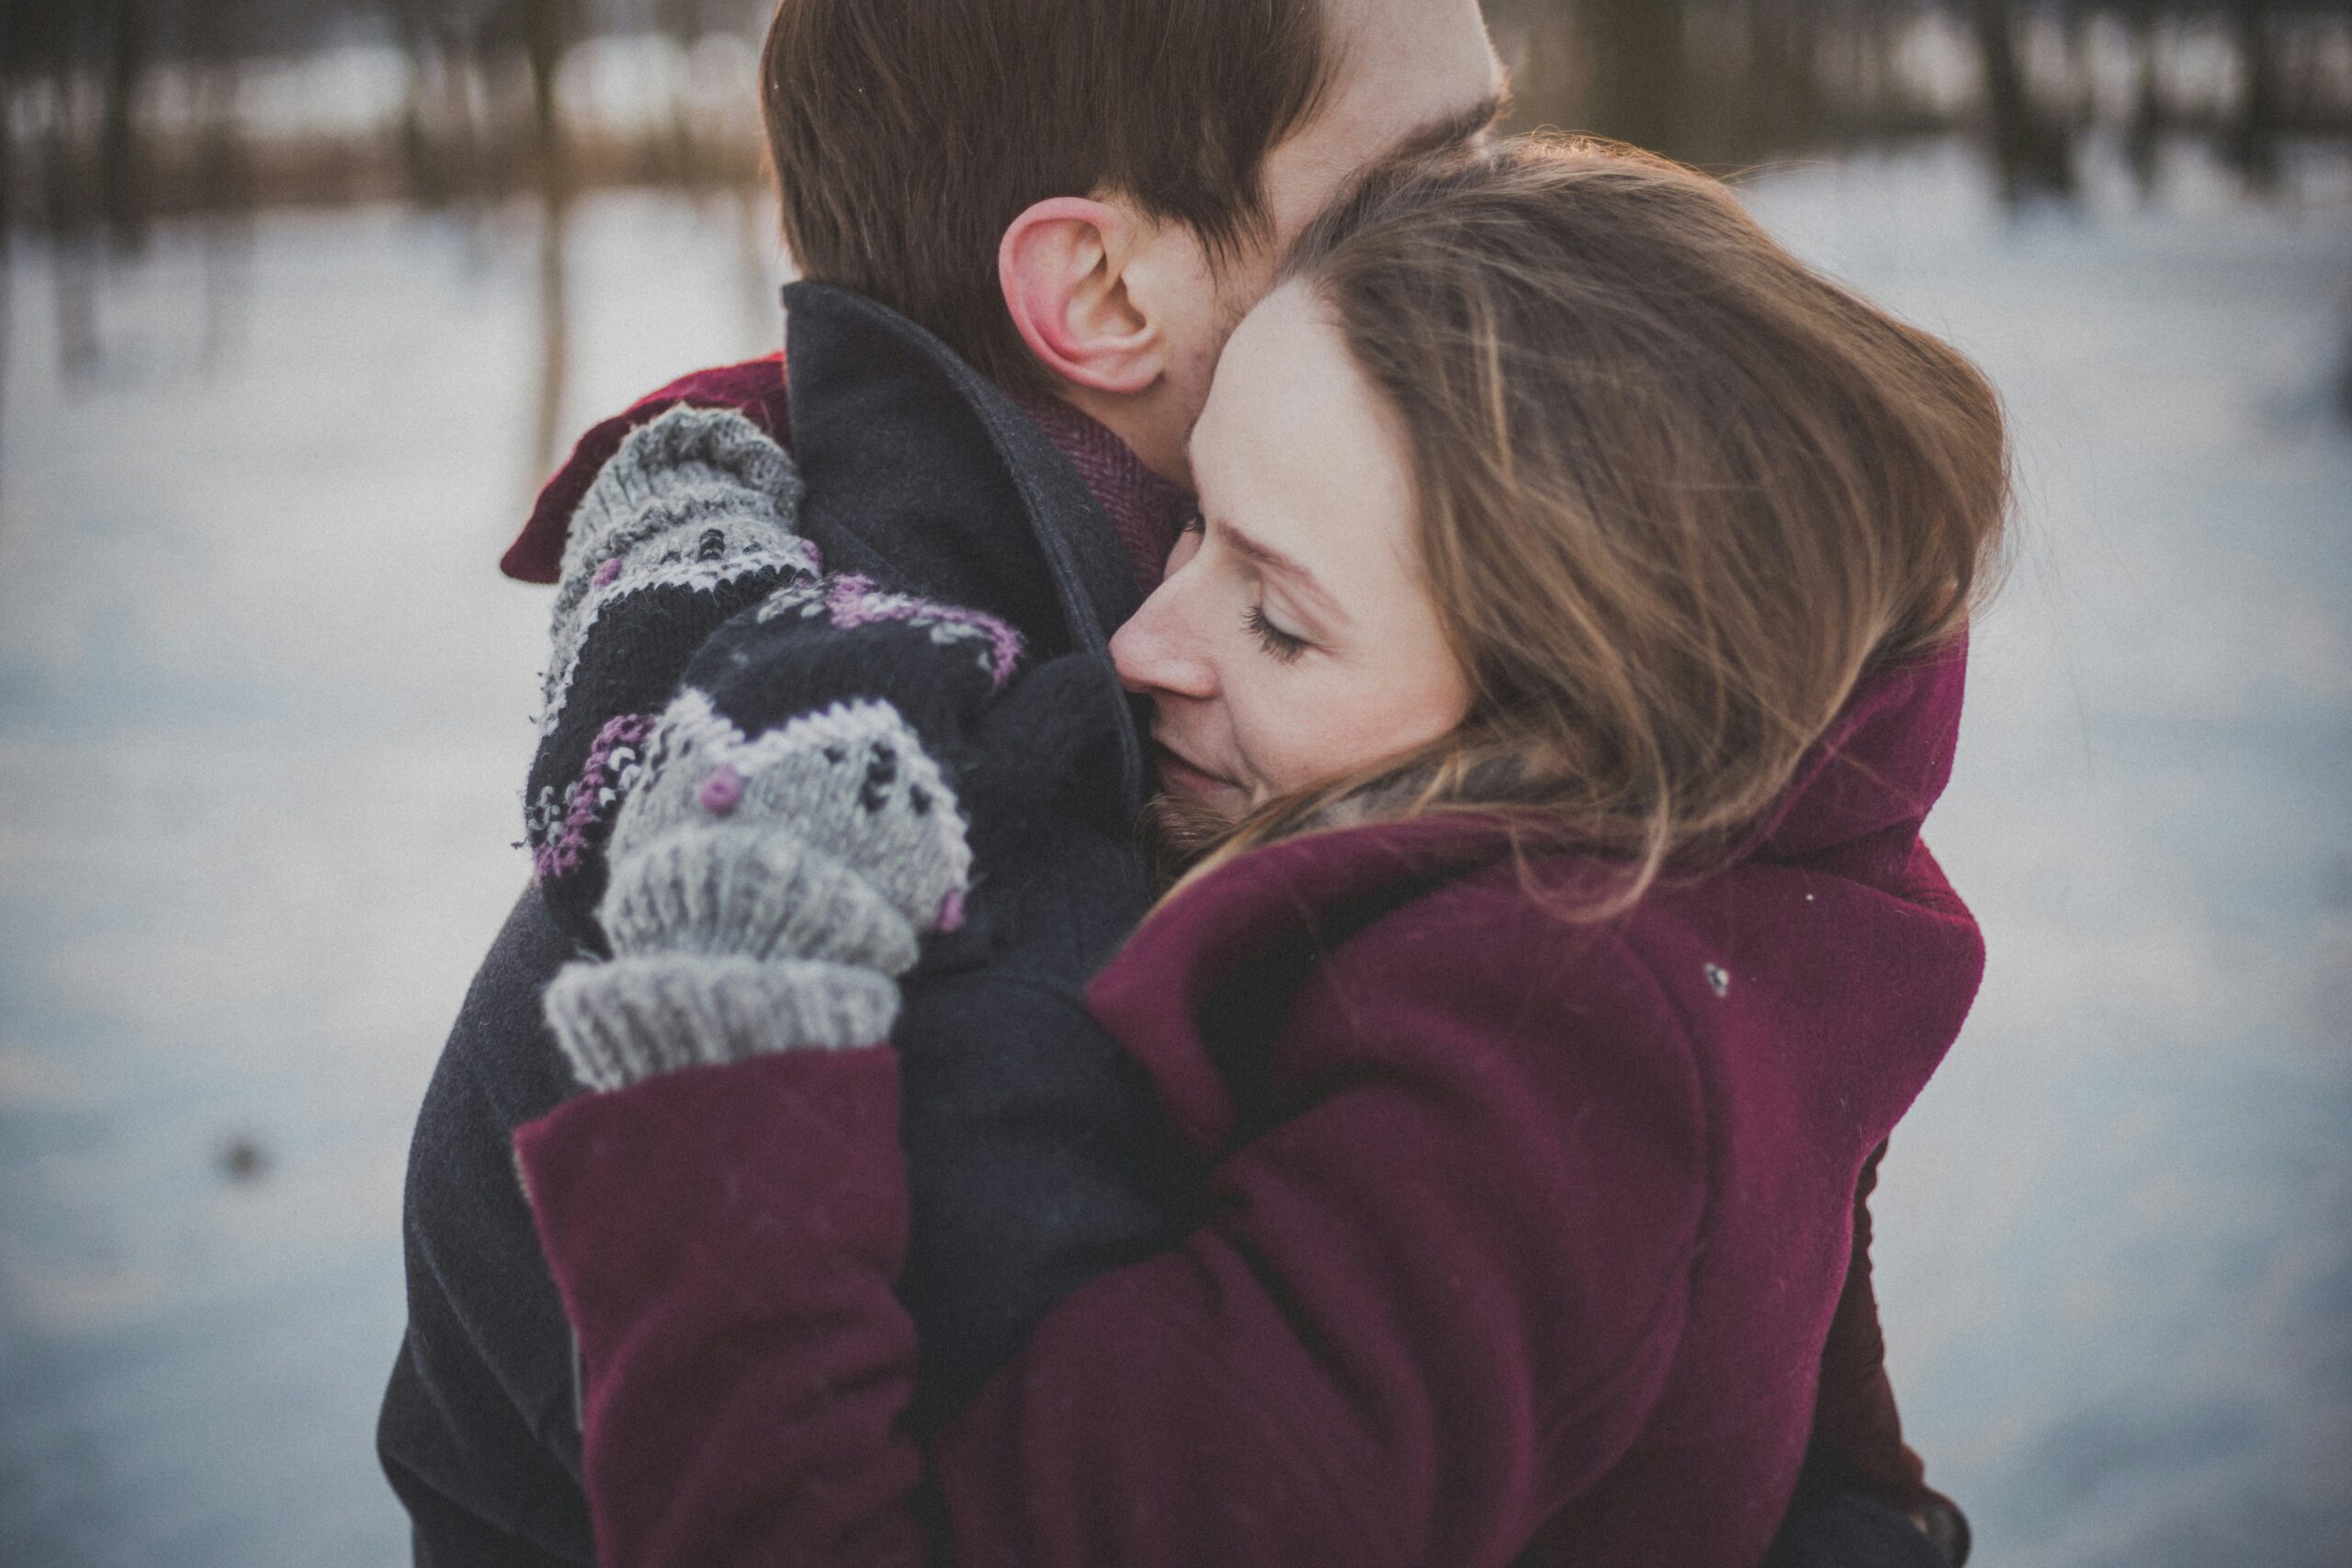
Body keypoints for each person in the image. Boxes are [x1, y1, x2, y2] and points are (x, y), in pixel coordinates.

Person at [509, 136, 2007, 1565]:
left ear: (1578, 725)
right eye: (1193, 521)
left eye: (1281, 621)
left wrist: (732, 1019)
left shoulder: (1533, 1100)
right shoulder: (1754, 895)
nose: (1146, 643)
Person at [378, 2, 1510, 1561]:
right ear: (1102, 289)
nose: (1528, 230)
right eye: (1429, 180)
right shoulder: (954, 924)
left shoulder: (1208, 698)